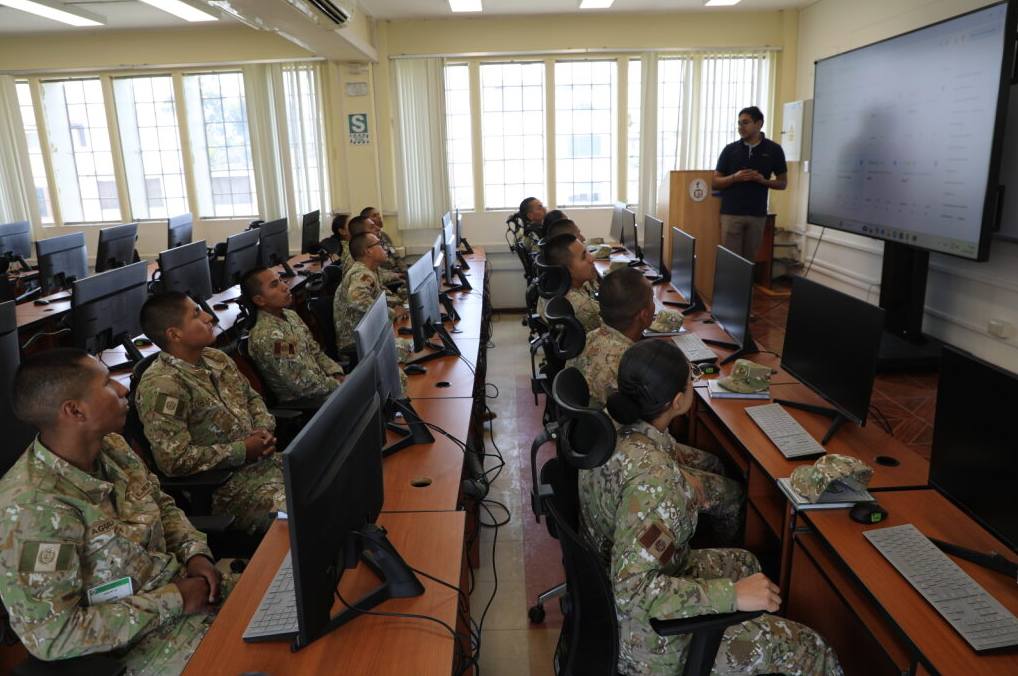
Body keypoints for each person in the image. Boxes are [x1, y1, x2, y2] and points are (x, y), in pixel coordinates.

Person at [580, 340, 843, 675]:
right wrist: (732, 595)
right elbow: (632, 590)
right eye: (690, 379)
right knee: (811, 647)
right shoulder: (656, 484)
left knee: (747, 563)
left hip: (610, 593)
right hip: (646, 643)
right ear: (677, 402)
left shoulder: (611, 425)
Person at [0, 348, 226, 673]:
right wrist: (174, 599)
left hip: (192, 596)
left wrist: (195, 554)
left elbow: (162, 507)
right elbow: (53, 635)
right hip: (142, 649)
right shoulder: (32, 507)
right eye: (107, 383)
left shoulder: (113, 448)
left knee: (284, 606)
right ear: (75, 410)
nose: (122, 388)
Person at [571, 268, 743, 542]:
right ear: (677, 401)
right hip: (634, 490)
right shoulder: (626, 364)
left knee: (714, 462)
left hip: (605, 487)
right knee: (733, 492)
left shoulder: (594, 339)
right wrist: (677, 479)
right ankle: (711, 543)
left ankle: (700, 526)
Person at [136, 293, 283, 536]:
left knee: (335, 481)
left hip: (269, 465)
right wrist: (243, 450)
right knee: (303, 513)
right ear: (174, 334)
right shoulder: (162, 386)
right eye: (196, 314)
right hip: (230, 490)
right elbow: (173, 460)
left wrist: (263, 429)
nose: (209, 317)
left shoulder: (216, 358)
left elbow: (252, 398)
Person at [242, 267, 344, 402]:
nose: (285, 287)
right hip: (309, 402)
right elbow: (303, 384)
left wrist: (336, 372)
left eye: (281, 280)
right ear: (260, 300)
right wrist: (338, 384)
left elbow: (315, 351)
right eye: (274, 285)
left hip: (325, 386)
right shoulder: (271, 337)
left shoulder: (290, 315)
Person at [712, 106, 787, 260]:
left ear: (759, 124)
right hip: (731, 214)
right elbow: (715, 182)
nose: (741, 127)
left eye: (745, 123)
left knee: (749, 261)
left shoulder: (774, 150)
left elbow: (782, 183)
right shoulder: (730, 150)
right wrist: (735, 177)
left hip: (757, 215)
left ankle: (746, 279)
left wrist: (763, 181)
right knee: (730, 261)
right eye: (739, 123)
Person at [333, 232, 407, 355]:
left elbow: (377, 298)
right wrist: (392, 313)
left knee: (408, 340)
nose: (384, 248)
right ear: (368, 251)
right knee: (407, 347)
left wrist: (399, 303)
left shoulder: (370, 270)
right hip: (355, 340)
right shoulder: (360, 273)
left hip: (370, 331)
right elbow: (357, 299)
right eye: (379, 244)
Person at [538, 234, 600, 332]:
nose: (592, 259)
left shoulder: (550, 286)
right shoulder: (585, 308)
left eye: (587, 251)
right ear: (567, 270)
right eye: (584, 257)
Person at [360, 206, 406, 273]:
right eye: (374, 216)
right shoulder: (366, 242)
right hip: (387, 275)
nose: (379, 217)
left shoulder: (384, 235)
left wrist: (404, 270)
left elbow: (396, 255)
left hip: (397, 271)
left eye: (378, 214)